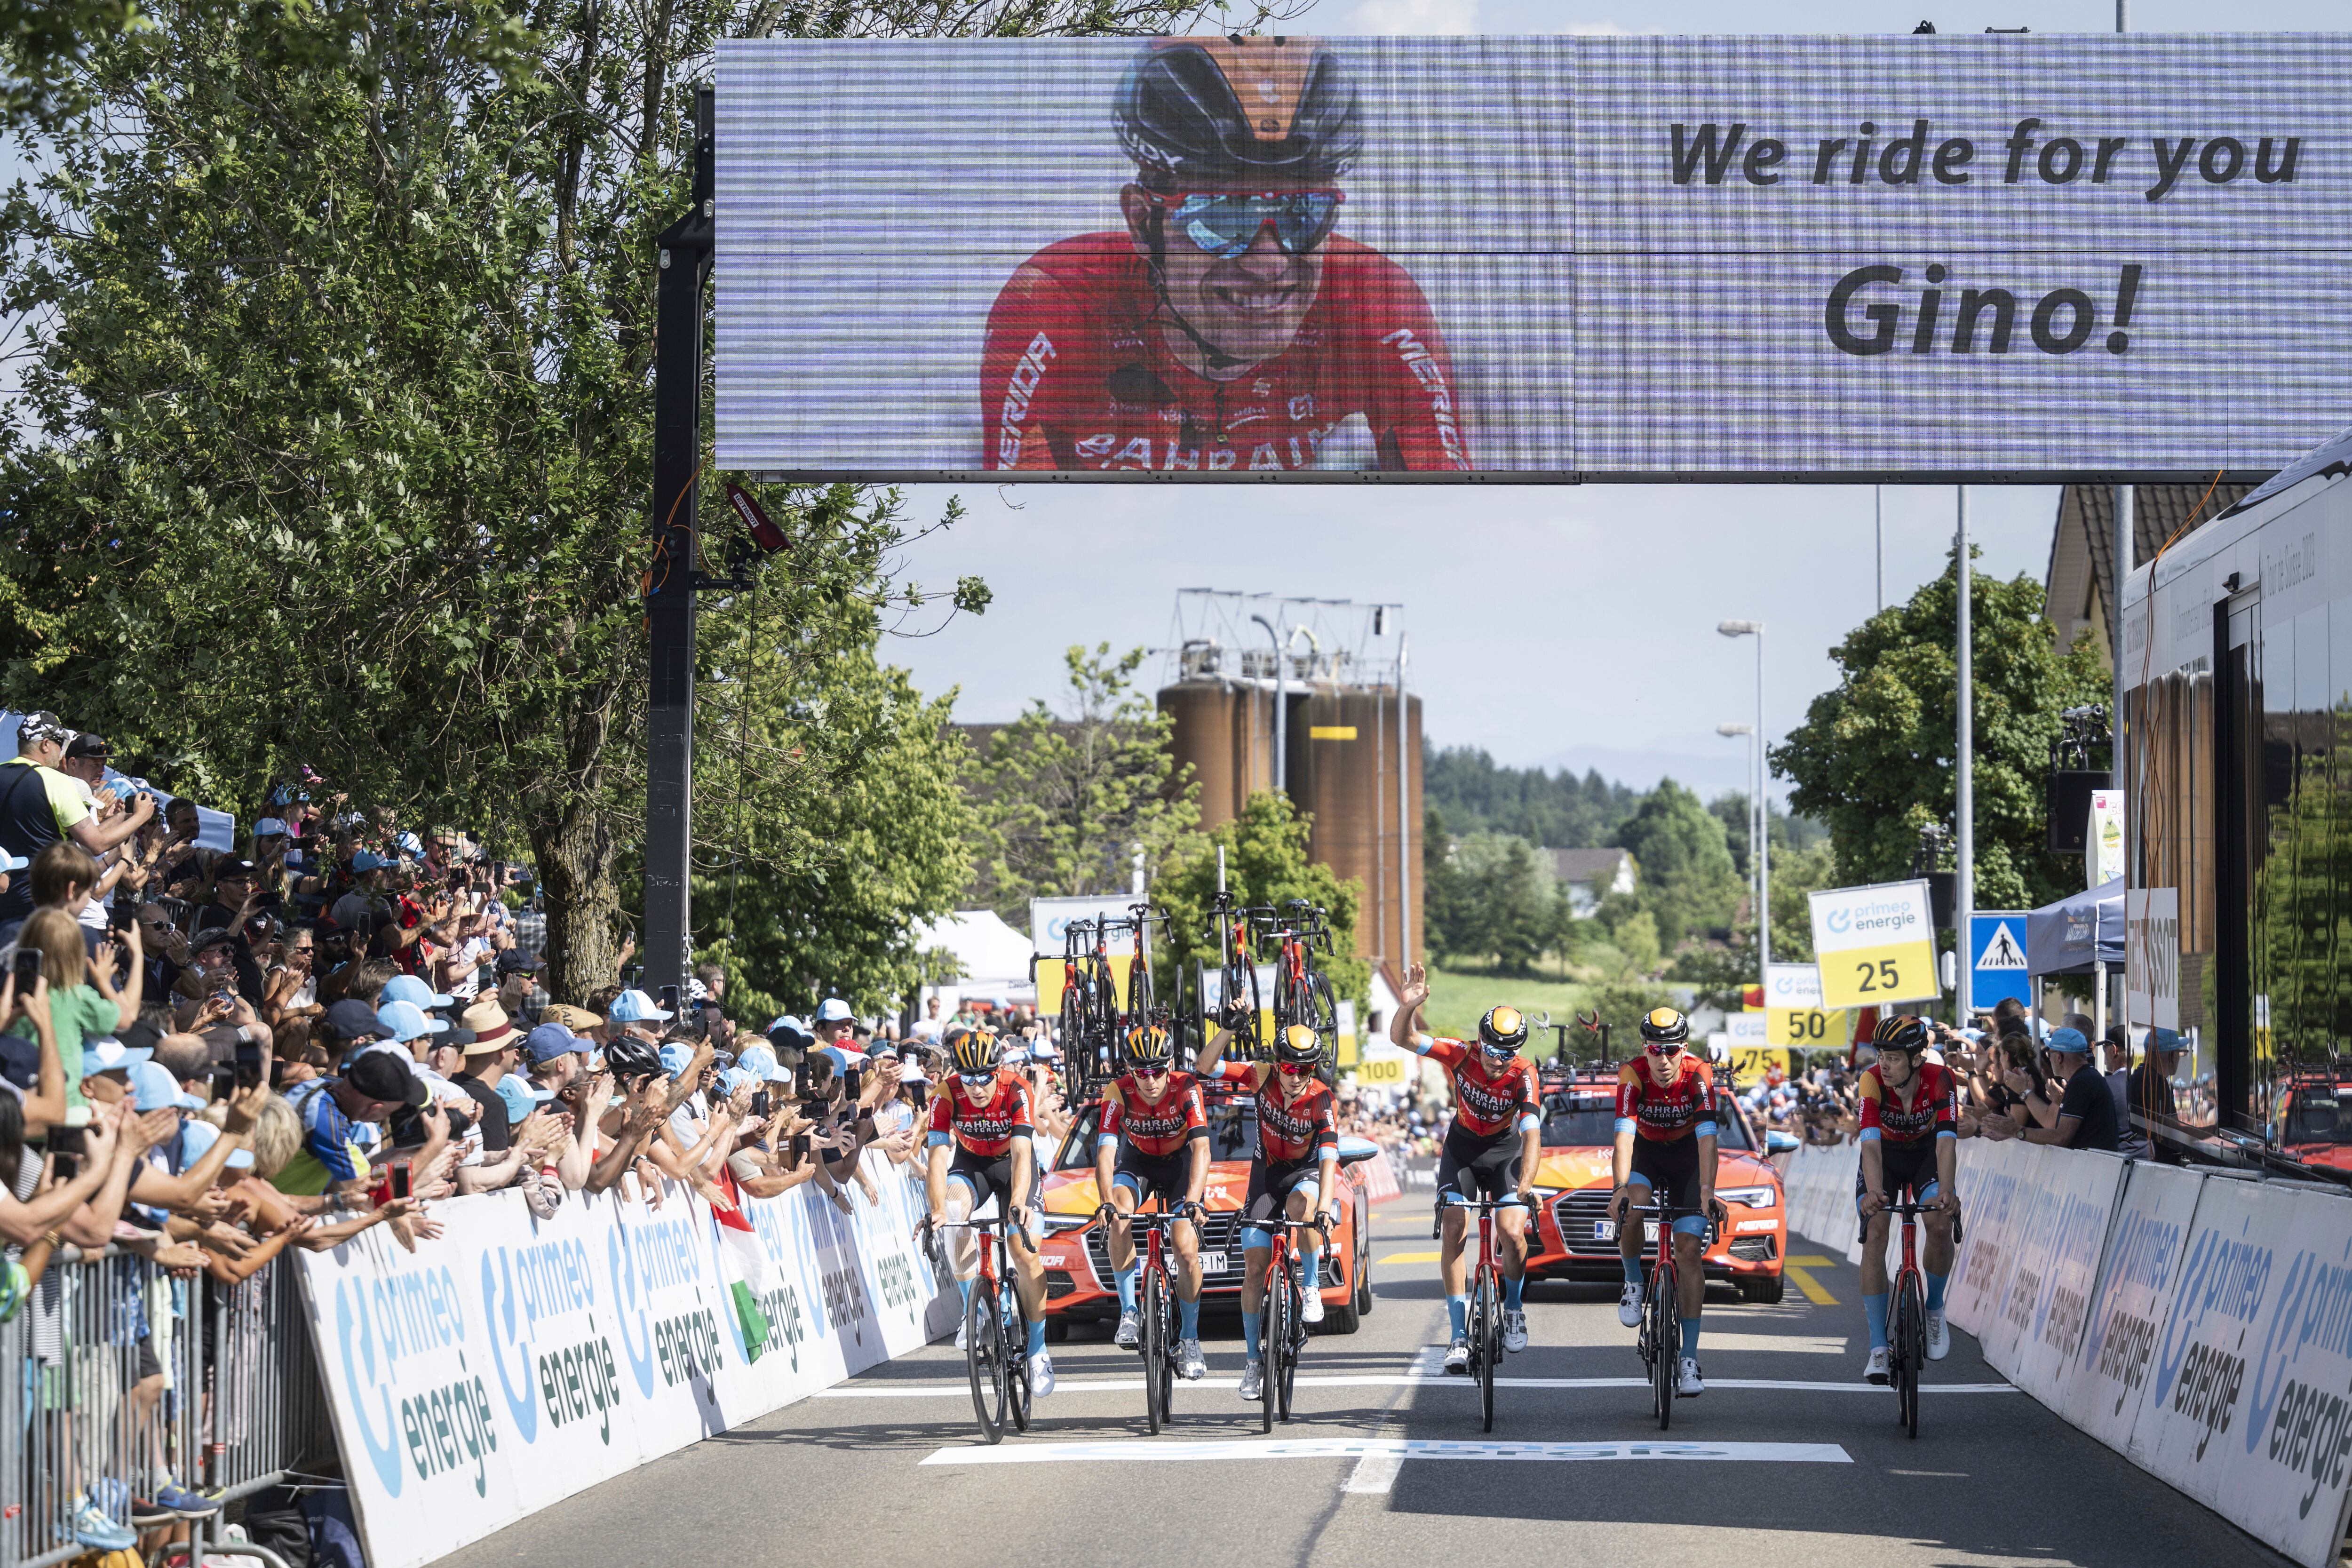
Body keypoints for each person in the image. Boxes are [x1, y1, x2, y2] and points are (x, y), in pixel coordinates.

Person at [978, 36, 1470, 476]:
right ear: (1140, 221)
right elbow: (1011, 511)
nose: (1268, 263)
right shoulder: (1056, 303)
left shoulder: (1370, 302)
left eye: (1303, 214)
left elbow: (1450, 509)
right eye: (1221, 218)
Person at [1390, 964, 1541, 1369]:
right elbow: (1401, 1038)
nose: (1497, 1060)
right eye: (1492, 1050)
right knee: (1455, 1225)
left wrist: (1526, 1184)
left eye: (1507, 1053)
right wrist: (1408, 1007)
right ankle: (1458, 1334)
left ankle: (1513, 1308)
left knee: (1512, 1230)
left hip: (1505, 1152)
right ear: (1482, 1041)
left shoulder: (1525, 1074)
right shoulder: (1460, 1052)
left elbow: (1531, 1134)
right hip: (1462, 1150)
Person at [1195, 1017, 1340, 1403]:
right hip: (1266, 1174)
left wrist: (1324, 1206)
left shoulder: (1322, 1098)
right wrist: (1226, 1029)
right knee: (1255, 1268)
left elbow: (1328, 1159)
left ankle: (1310, 1286)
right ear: (1278, 1063)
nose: (1297, 1077)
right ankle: (1254, 1361)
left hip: (1306, 1173)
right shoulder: (1260, 1076)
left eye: (1306, 1068)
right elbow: (1204, 1067)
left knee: (1301, 1207)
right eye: (1291, 1067)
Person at [923, 1028, 1055, 1397]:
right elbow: (936, 1159)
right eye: (968, 1078)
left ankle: (1038, 1349)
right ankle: (975, 1309)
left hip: (1014, 1165)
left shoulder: (1016, 1090)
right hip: (973, 1164)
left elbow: (1024, 1155)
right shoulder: (945, 1094)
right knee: (952, 1210)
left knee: (1023, 1252)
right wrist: (936, 1209)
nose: (976, 1087)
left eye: (984, 1077)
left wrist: (1018, 1204)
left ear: (998, 1070)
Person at [1607, 1006, 1727, 1399]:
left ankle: (1689, 1358)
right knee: (1631, 1209)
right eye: (1655, 1050)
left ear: (1684, 1048)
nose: (1663, 1059)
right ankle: (1632, 1279)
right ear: (1645, 1048)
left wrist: (1707, 1191)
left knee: (1689, 1250)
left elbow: (1708, 1137)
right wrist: (1619, 1186)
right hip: (1647, 1154)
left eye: (1671, 1050)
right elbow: (1624, 1137)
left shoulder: (1699, 1074)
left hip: (1688, 1160)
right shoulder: (1633, 1074)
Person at [1092, 1022, 1210, 1380]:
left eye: (1158, 1070)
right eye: (1141, 1072)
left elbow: (1202, 1148)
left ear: (1170, 1065)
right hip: (1139, 1161)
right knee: (1118, 1213)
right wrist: (1105, 1202)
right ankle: (1129, 1311)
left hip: (1180, 1166)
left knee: (1185, 1248)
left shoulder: (1186, 1087)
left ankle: (1189, 1337)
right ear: (1131, 1072)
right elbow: (1105, 1154)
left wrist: (1193, 1201)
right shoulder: (1118, 1092)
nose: (1150, 1080)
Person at [1854, 1013, 1961, 1384]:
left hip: (1925, 1157)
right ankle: (1878, 1348)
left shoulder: (1940, 1079)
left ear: (1917, 1059)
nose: (1884, 1063)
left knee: (1939, 1222)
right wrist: (1872, 1193)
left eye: (1894, 1057)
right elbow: (1869, 1146)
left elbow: (1947, 1143)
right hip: (1884, 1157)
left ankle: (1933, 1307)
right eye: (1881, 1054)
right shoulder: (1870, 1081)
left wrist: (1946, 1191)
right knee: (1877, 1232)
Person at [1997, 1026, 2121, 1151]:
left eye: (2049, 1054)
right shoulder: (2085, 1078)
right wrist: (2026, 1092)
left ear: (2059, 1057)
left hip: (2094, 1165)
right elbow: (2049, 1122)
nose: (2049, 1058)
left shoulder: (2082, 1083)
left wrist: (2017, 1131)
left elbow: (2061, 1137)